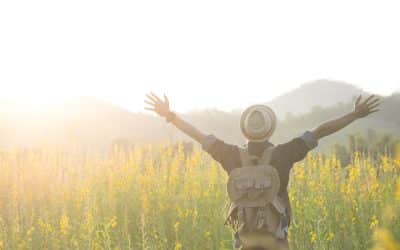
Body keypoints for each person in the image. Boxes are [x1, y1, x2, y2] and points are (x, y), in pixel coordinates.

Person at [144, 92, 381, 250]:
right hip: (276, 242)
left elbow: (197, 134)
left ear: (245, 130)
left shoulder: (229, 155)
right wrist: (355, 114)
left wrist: (170, 116)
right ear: (271, 128)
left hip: (244, 242)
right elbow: (322, 130)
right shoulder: (285, 153)